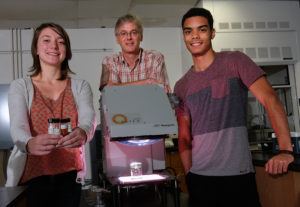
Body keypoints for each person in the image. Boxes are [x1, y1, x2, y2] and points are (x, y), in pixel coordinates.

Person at [174, 7, 294, 207]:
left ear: (212, 33)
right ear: (184, 36)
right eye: (188, 31)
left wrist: (285, 150)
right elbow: (184, 137)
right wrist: (189, 174)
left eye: (201, 29)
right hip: (200, 178)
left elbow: (271, 100)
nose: (194, 36)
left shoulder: (235, 61)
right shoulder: (182, 85)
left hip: (238, 176)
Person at [5, 22, 97, 207]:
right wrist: (29, 143)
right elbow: (18, 126)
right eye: (46, 40)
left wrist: (83, 131)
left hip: (70, 177)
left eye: (60, 42)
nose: (54, 46)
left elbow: (89, 117)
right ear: (36, 49)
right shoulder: (20, 86)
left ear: (67, 50)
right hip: (32, 178)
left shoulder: (80, 86)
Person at [99, 13, 171, 93]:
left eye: (133, 32)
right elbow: (109, 91)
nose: (129, 37)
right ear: (117, 39)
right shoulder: (110, 61)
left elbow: (157, 92)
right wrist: (146, 82)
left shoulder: (155, 58)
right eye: (123, 33)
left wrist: (119, 87)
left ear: (141, 36)